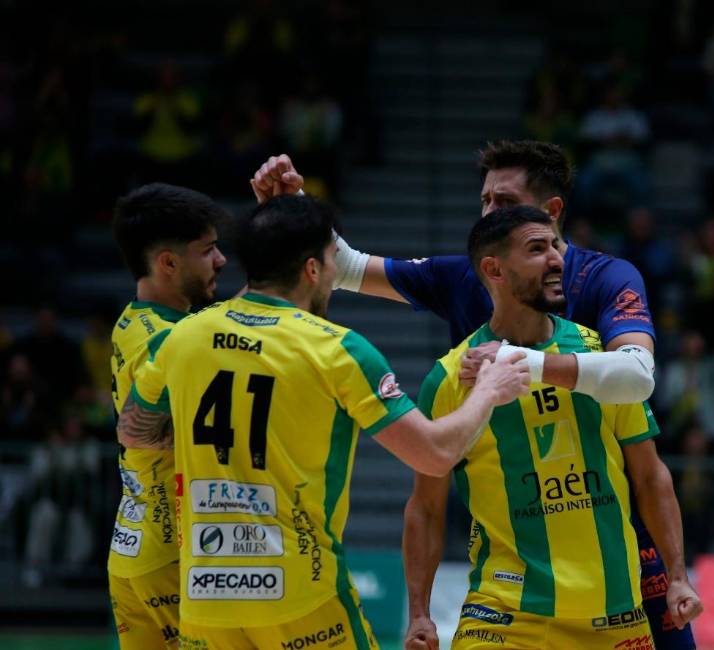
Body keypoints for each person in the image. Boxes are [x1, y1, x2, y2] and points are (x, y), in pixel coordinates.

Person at [251, 140, 698, 649]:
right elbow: (348, 267)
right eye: (484, 200)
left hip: (621, 542)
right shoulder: (467, 279)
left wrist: (518, 365)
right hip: (512, 581)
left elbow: (638, 375)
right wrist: (295, 208)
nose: (487, 212)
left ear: (551, 214)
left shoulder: (605, 276)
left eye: (504, 203)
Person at [115, 194, 529, 649]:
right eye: (333, 261)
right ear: (312, 269)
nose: (335, 275)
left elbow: (133, 432)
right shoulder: (335, 349)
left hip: (206, 600)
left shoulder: (181, 339)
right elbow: (433, 455)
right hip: (301, 597)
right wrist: (490, 389)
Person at [400, 207, 701, 650]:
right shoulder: (451, 378)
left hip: (615, 615)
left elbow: (650, 476)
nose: (557, 259)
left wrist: (677, 576)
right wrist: (420, 613)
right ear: (494, 269)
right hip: (505, 616)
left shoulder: (598, 359)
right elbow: (426, 507)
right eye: (537, 249)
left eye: (555, 246)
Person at [107, 183, 229, 648]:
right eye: (208, 250)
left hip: (131, 546)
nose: (219, 260)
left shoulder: (131, 322)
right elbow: (140, 431)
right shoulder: (175, 341)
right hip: (177, 553)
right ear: (169, 263)